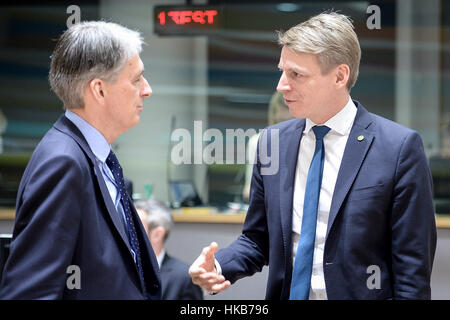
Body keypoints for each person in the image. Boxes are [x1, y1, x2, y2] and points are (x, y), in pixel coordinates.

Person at [189, 12, 437, 300]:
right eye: (282, 71)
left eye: (296, 74)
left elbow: (412, 273)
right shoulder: (272, 142)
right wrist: (218, 266)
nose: (281, 85)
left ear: (339, 76)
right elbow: (257, 239)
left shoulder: (399, 148)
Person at [0, 21, 161, 299]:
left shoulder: (96, 155)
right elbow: (29, 292)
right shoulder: (63, 162)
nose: (147, 89)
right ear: (99, 90)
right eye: (136, 79)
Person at [135, 199, 203, 300]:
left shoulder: (184, 278)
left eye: (135, 226)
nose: (127, 231)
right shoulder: (120, 268)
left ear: (157, 234)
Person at [242, 91, 292, 201]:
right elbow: (250, 189)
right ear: (274, 116)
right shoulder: (258, 141)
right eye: (282, 121)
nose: (287, 127)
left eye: (291, 121)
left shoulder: (308, 141)